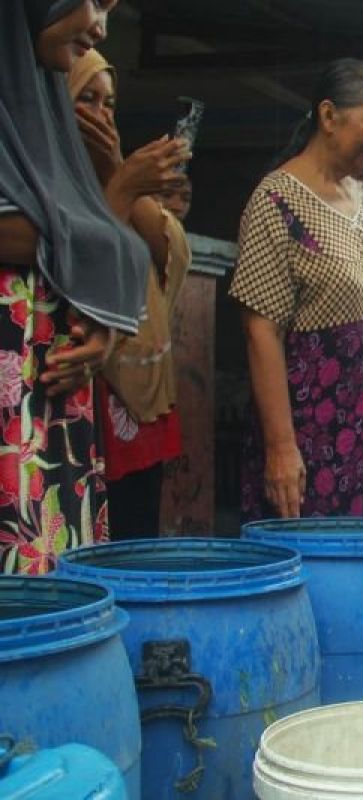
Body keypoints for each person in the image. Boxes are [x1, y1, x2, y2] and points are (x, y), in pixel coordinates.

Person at [0, 0, 153, 573]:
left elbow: (62, 228)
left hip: (44, 416)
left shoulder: (36, 103)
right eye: (93, 2)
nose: (100, 27)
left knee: (50, 603)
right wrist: (106, 244)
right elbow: (25, 227)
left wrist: (100, 318)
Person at [230, 58, 363, 521]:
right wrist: (281, 449)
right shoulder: (275, 202)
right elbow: (260, 333)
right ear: (329, 116)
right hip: (310, 435)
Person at [69, 48, 192, 540]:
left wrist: (118, 169)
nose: (100, 116)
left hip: (136, 410)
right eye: (86, 99)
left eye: (109, 104)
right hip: (78, 396)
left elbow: (171, 253)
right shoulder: (44, 179)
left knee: (133, 541)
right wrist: (118, 187)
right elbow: (79, 269)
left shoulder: (119, 179)